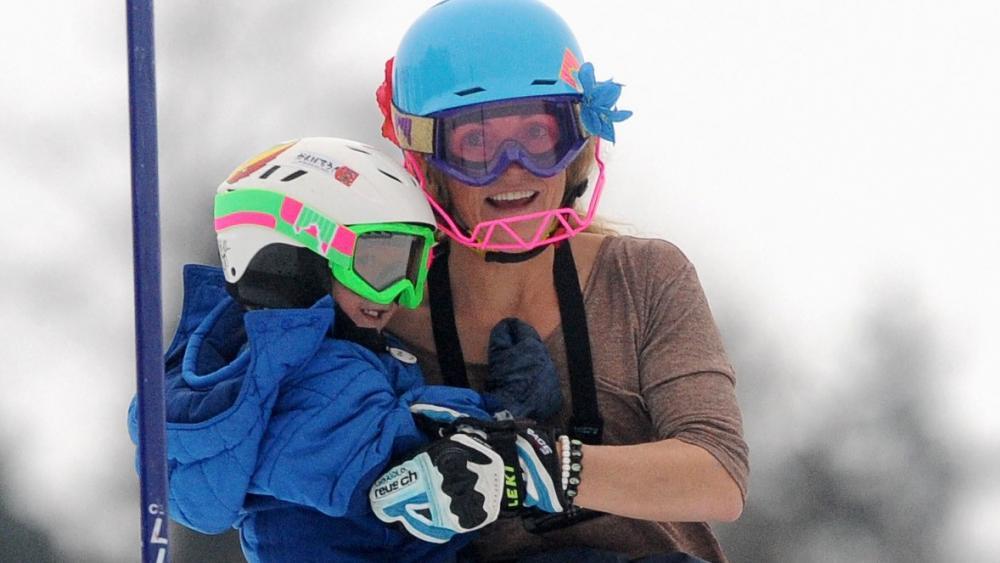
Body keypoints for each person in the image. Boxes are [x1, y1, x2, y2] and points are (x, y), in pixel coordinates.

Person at [369, 0, 749, 561]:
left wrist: (540, 468)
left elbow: (717, 474)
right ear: (428, 160)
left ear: (576, 146)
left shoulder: (641, 280)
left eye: (537, 133)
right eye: (477, 143)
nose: (514, 166)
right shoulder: (390, 307)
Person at [127, 136, 566, 562]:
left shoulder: (278, 361)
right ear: (294, 257)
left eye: (412, 268)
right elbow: (396, 455)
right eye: (378, 265)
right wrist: (506, 409)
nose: (397, 294)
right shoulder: (306, 376)